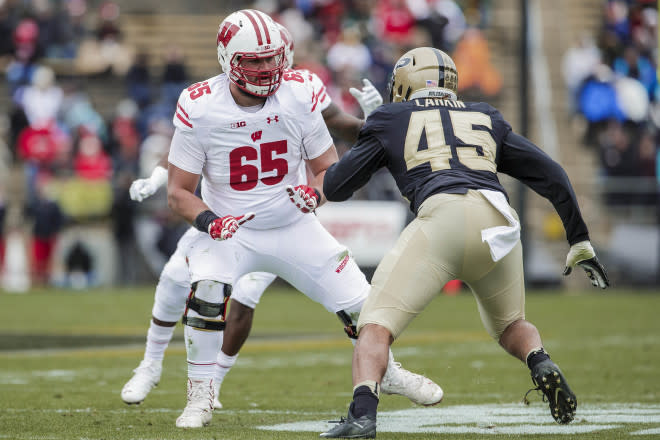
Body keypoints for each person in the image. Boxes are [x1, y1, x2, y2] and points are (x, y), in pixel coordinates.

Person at [122, 15, 440, 424]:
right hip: (230, 230)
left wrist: (315, 194)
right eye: (254, 62)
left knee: (367, 307)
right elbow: (179, 192)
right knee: (204, 295)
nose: (267, 70)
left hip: (293, 225)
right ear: (227, 59)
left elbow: (328, 169)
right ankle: (199, 395)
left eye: (272, 59)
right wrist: (209, 223)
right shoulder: (200, 105)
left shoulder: (299, 91)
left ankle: (389, 372)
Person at [318, 47, 610, 438]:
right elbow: (552, 173)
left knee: (374, 326)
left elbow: (336, 186)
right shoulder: (485, 115)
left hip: (443, 217)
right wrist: (578, 238)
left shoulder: (390, 118)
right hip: (499, 222)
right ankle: (540, 362)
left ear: (404, 85)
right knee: (511, 325)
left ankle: (361, 415)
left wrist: (373, 128)